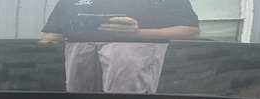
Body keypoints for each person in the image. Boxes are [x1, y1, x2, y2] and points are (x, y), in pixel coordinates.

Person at [40, 0, 200, 93]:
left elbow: (191, 31)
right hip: (78, 85)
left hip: (132, 89)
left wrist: (138, 34)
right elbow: (54, 34)